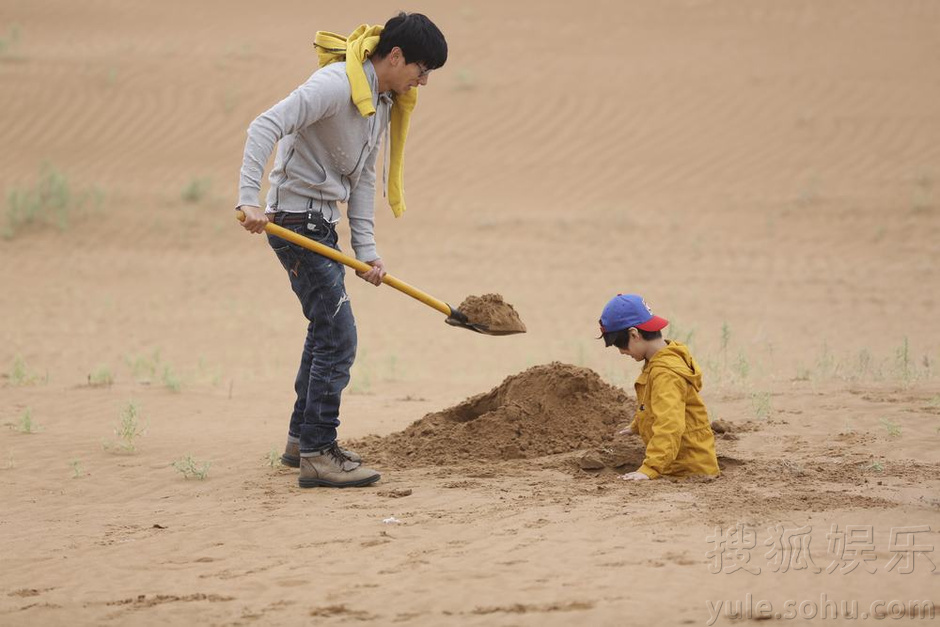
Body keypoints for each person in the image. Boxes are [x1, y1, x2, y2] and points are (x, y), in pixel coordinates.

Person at [235, 13, 448, 488]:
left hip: (322, 225)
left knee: (325, 329)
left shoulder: (383, 101)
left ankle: (300, 441)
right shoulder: (333, 85)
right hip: (293, 222)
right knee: (339, 335)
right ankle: (318, 452)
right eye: (422, 69)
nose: (423, 81)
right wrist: (250, 198)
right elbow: (263, 126)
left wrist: (367, 250)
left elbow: (364, 177)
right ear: (395, 56)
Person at [599, 294, 720, 481]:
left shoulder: (666, 374)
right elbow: (651, 402)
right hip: (677, 462)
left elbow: (669, 424)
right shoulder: (658, 359)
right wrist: (637, 425)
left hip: (688, 470)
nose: (622, 352)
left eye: (620, 346)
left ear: (634, 334)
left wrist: (649, 469)